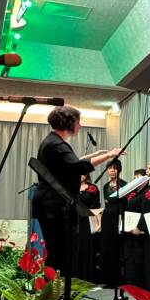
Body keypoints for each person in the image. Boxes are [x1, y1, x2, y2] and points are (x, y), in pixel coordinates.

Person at [32, 105, 122, 270]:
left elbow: (67, 165)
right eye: (78, 122)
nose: (80, 126)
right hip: (53, 204)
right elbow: (78, 167)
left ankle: (55, 289)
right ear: (68, 122)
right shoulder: (56, 144)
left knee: (57, 249)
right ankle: (55, 291)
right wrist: (109, 155)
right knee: (58, 250)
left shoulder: (53, 142)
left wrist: (91, 156)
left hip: (49, 202)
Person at [99, 159, 127, 285]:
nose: (111, 171)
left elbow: (126, 203)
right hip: (107, 217)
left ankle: (117, 279)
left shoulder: (124, 184)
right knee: (106, 246)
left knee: (117, 247)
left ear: (119, 170)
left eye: (114, 168)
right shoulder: (105, 186)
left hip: (119, 215)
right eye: (109, 168)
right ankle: (106, 278)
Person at [77, 173, 101, 283]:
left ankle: (87, 277)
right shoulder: (70, 187)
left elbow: (96, 207)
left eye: (84, 173)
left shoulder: (92, 188)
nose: (81, 175)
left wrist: (99, 223)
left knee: (87, 246)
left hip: (87, 220)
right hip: (74, 220)